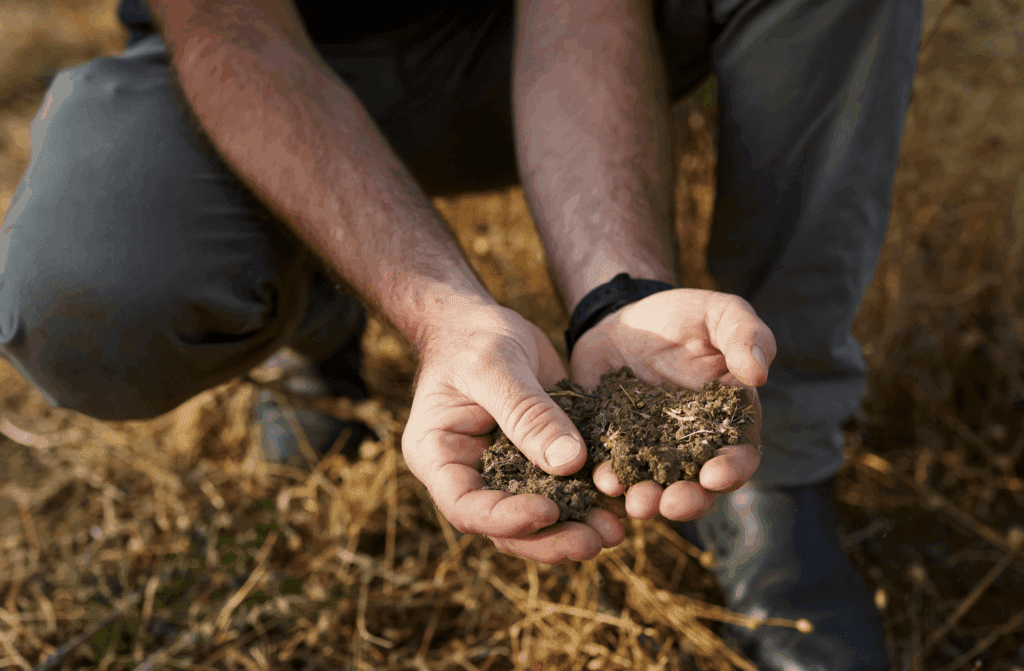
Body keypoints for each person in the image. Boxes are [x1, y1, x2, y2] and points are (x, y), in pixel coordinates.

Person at [0, 0, 922, 668]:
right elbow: (232, 28)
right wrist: (440, 311)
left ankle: (782, 472)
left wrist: (616, 290)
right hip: (249, 65)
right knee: (84, 298)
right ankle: (313, 312)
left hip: (506, 42)